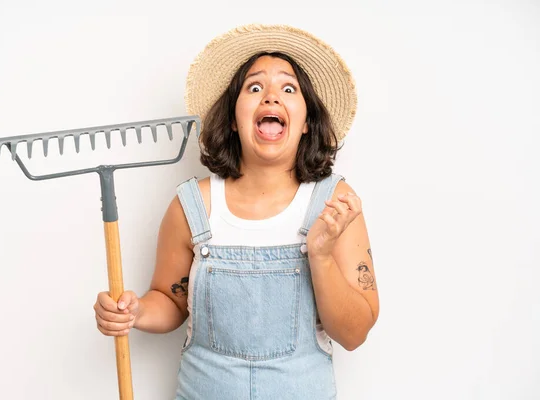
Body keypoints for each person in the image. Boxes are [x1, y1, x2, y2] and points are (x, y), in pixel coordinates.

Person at [94, 24, 379, 399]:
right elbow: (170, 298)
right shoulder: (192, 204)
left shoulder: (334, 205)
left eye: (288, 88)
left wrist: (321, 255)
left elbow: (354, 334)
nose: (271, 97)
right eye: (255, 87)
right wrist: (135, 312)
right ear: (232, 119)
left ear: (307, 121)